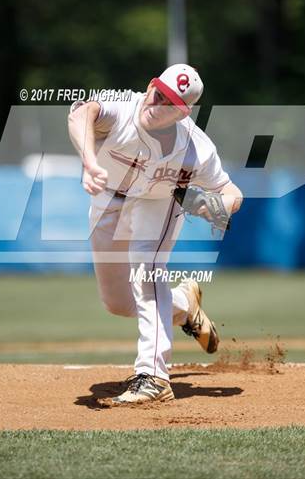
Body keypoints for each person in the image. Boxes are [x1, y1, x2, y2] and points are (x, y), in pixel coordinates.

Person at [68, 64, 242, 405]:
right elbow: (81, 114)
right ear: (150, 85)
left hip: (158, 203)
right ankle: (184, 304)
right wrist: (89, 161)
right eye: (157, 93)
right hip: (108, 196)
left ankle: (154, 376)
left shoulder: (196, 149)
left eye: (170, 103)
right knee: (117, 304)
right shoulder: (123, 107)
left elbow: (232, 192)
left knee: (146, 273)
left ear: (182, 112)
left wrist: (216, 206)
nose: (157, 103)